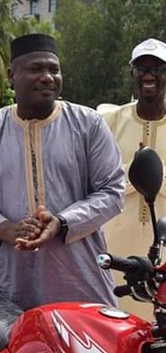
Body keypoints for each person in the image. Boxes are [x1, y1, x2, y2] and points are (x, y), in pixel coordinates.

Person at [0, 33, 125, 311]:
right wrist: (5, 229)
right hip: (10, 278)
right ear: (11, 75)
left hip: (80, 274)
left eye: (53, 69)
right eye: (36, 69)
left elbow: (113, 191)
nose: (47, 77)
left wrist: (62, 222)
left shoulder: (88, 125)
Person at [101, 38, 166, 319]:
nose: (149, 75)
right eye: (141, 68)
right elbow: (99, 178)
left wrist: (151, 174)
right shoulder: (110, 121)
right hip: (114, 243)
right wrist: (133, 173)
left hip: (161, 244)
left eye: (157, 68)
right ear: (132, 75)